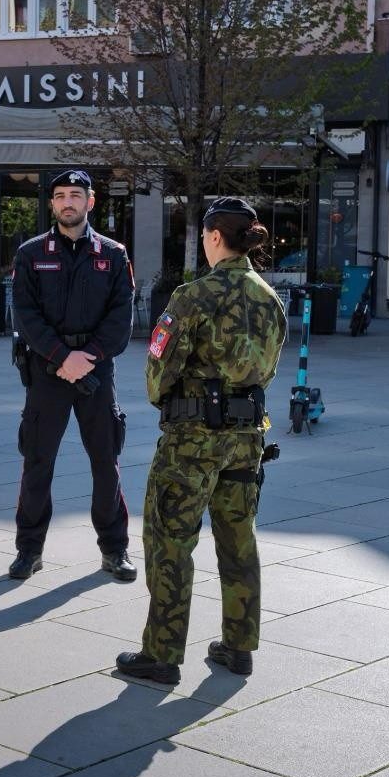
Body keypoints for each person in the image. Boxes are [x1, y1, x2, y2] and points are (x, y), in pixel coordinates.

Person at [115, 198, 287, 685]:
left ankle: (162, 655)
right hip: (246, 438)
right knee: (238, 541)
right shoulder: (270, 299)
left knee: (170, 541)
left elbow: (157, 377)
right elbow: (267, 370)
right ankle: (239, 646)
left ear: (213, 236)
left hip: (192, 441)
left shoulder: (193, 296)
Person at [8, 168, 136, 582]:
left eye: (76, 195)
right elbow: (25, 315)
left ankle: (115, 550)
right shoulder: (30, 253)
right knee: (38, 461)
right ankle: (29, 550)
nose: (68, 202)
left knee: (105, 461)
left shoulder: (113, 255)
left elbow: (121, 319)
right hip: (47, 369)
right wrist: (63, 356)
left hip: (97, 372)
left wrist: (89, 356)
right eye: (60, 195)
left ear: (90, 201)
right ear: (51, 203)